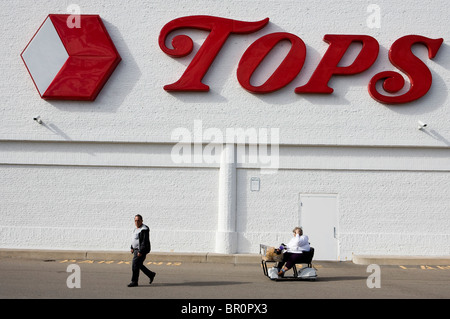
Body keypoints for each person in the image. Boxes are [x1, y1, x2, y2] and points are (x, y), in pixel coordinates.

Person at [128, 214, 156, 287]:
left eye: (138, 220)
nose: (136, 222)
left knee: (135, 265)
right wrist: (132, 247)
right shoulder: (135, 229)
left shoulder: (144, 229)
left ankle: (134, 281)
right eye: (135, 221)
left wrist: (141, 251)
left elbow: (144, 241)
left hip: (140, 251)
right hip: (136, 250)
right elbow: (134, 239)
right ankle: (151, 274)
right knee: (138, 265)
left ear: (142, 221)